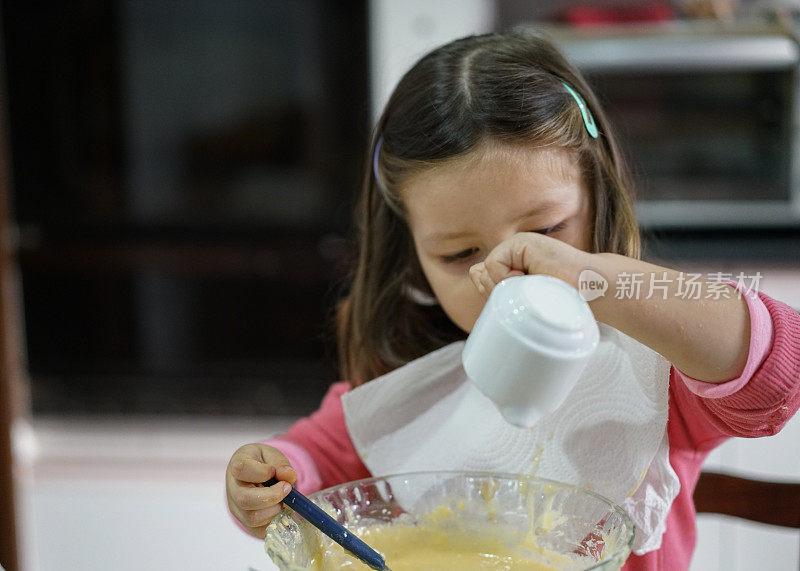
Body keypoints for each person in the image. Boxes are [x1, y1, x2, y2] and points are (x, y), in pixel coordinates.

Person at [225, 31, 800, 569]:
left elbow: (780, 366)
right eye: (457, 254)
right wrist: (271, 477)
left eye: (547, 233)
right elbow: (310, 462)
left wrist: (597, 279)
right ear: (412, 257)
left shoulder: (658, 372)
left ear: (598, 197)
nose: (507, 276)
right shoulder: (400, 382)